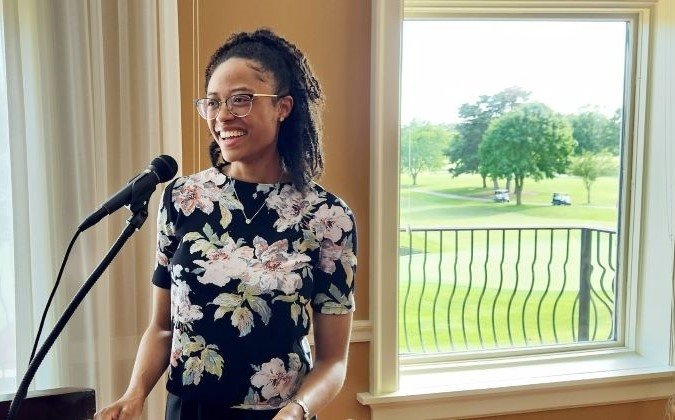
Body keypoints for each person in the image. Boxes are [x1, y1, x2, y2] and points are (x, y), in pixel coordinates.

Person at [94, 28, 356, 420]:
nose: (222, 116)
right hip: (188, 412)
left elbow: (334, 361)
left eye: (241, 100)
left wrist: (297, 410)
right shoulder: (182, 198)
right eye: (213, 103)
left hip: (277, 416)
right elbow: (163, 329)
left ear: (283, 107)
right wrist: (134, 395)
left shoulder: (329, 218)